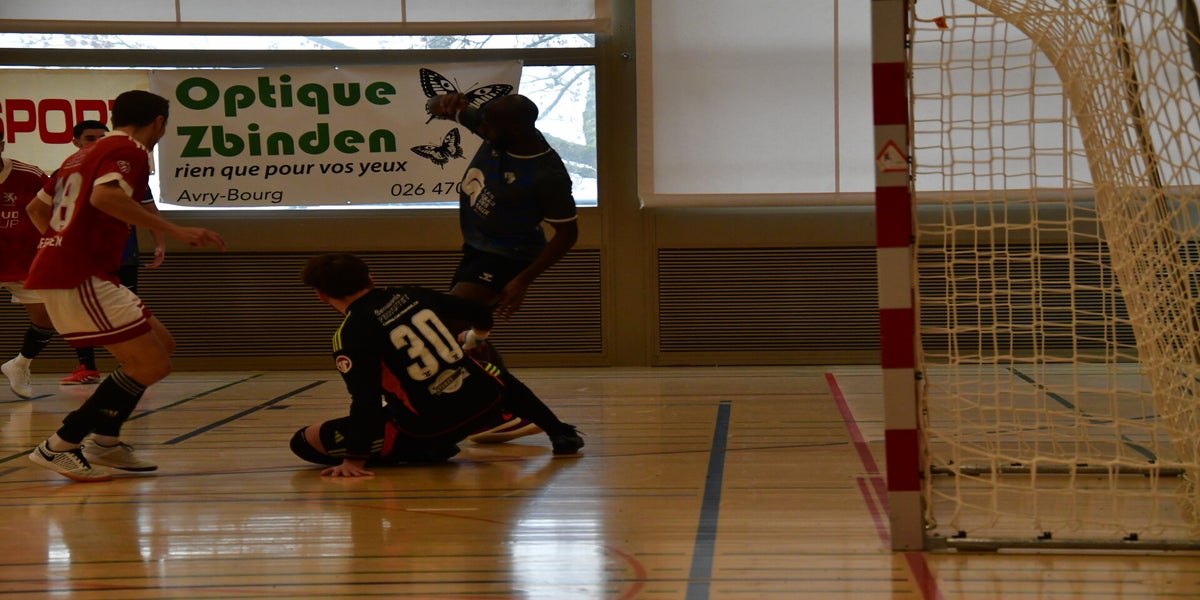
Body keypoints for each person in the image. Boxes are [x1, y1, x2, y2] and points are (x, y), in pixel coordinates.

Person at [24, 90, 226, 482]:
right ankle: (60, 444)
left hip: (82, 270)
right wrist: (175, 230)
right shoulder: (131, 150)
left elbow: (37, 208)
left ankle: (105, 441)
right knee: (151, 364)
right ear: (159, 123)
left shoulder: (82, 153)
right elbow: (105, 197)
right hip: (77, 273)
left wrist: (58, 239)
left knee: (161, 346)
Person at [290, 253, 584, 477]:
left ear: (321, 295)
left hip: (428, 428)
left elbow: (365, 401)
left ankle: (424, 451)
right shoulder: (411, 294)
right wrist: (474, 338)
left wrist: (354, 459)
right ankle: (560, 432)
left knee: (304, 440)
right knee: (490, 373)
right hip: (484, 403)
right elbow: (480, 312)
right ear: (371, 278)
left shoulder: (350, 335)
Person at [425, 92, 580, 444]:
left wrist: (523, 280)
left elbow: (568, 234)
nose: (482, 129)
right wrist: (444, 102)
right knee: (468, 332)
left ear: (515, 129)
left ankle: (502, 411)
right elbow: (437, 106)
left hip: (510, 256)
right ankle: (503, 409)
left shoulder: (546, 175)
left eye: (488, 126)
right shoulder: (496, 129)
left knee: (449, 322)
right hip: (479, 249)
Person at [56, 121, 166, 386]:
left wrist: (160, 242)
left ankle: (131, 365)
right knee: (81, 314)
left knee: (127, 313)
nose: (96, 142)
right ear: (76, 142)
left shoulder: (126, 172)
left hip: (123, 255)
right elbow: (43, 212)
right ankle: (87, 367)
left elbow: (150, 212)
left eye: (101, 137)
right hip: (83, 259)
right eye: (89, 138)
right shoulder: (68, 173)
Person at [0, 139, 53, 399]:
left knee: (47, 320)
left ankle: (20, 365)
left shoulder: (30, 176)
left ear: (1, 145)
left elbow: (55, 211)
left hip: (24, 261)